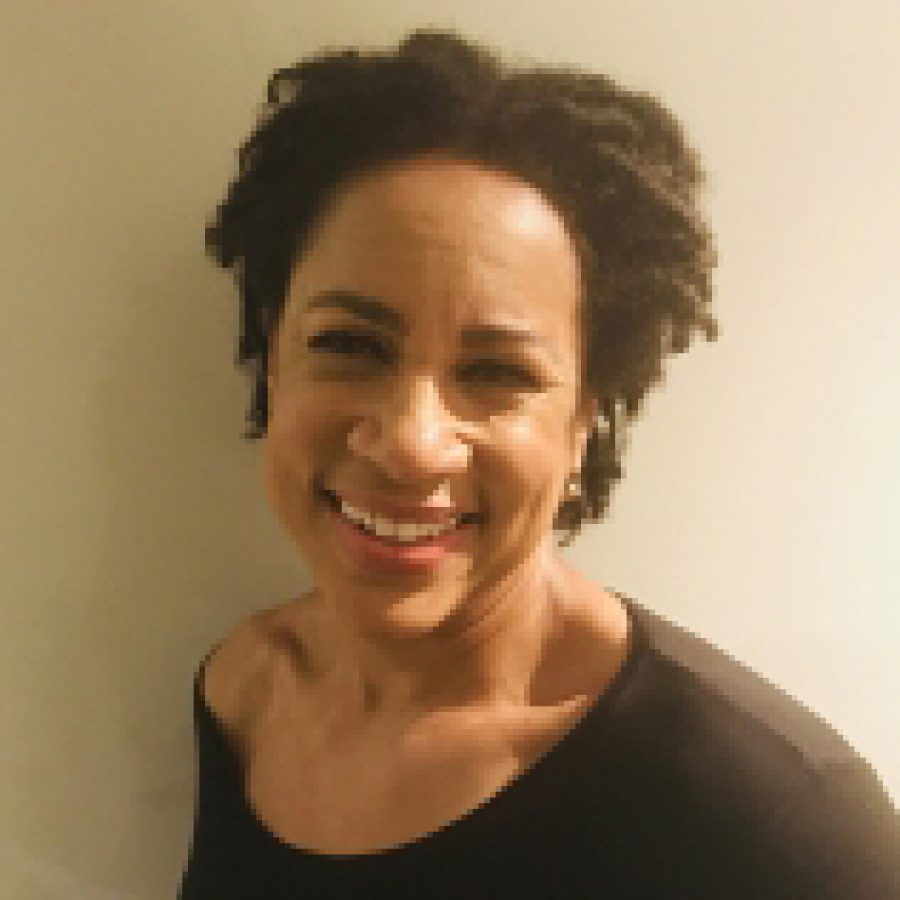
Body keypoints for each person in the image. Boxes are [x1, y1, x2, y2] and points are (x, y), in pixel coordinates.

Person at [178, 29, 899, 898]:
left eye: (497, 372)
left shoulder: (779, 824)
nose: (410, 441)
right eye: (350, 345)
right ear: (273, 358)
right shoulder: (245, 695)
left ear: (584, 417)